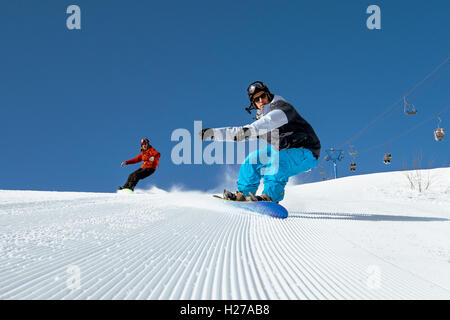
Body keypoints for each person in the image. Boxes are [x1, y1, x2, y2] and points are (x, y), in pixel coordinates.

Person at [199, 81, 321, 203]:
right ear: (254, 104)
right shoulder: (261, 123)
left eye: (263, 96)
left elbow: (261, 125)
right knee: (253, 159)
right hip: (283, 152)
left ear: (268, 95)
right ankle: (244, 194)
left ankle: (270, 197)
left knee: (278, 160)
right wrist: (213, 134)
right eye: (257, 99)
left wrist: (247, 130)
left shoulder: (282, 109)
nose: (261, 100)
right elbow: (241, 134)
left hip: (306, 152)